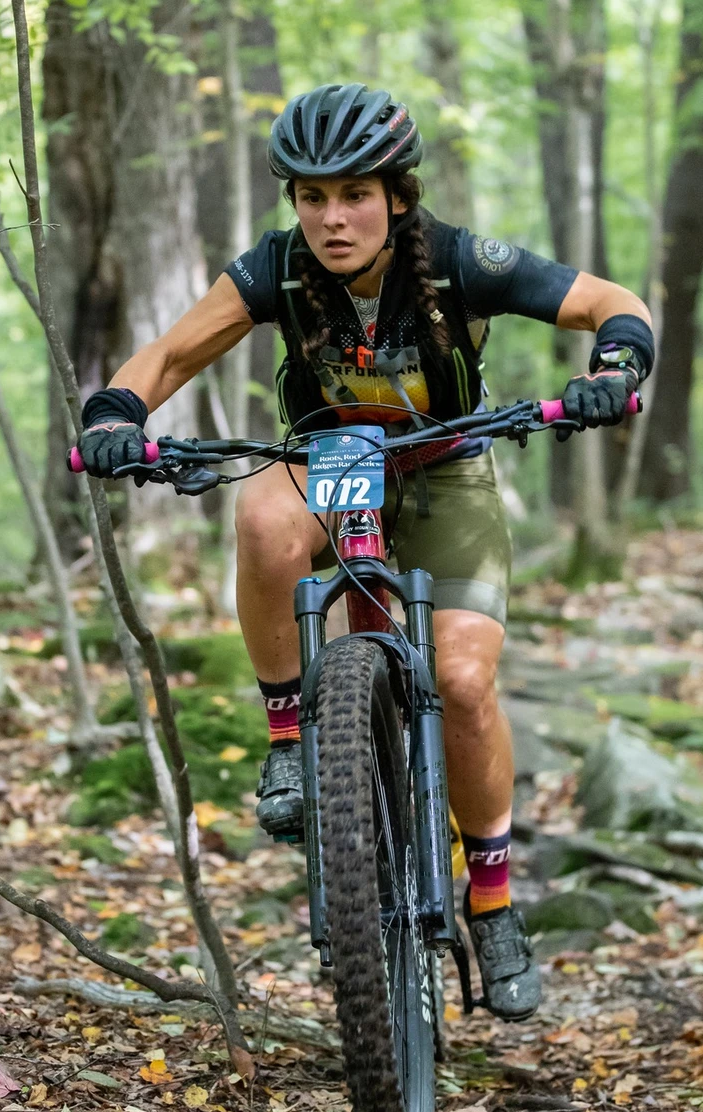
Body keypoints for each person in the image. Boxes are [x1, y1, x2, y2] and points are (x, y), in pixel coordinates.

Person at [74, 83, 654, 1022]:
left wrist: (614, 368)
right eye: (311, 197)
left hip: (446, 466)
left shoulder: (463, 262)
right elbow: (172, 355)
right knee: (261, 519)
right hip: (328, 462)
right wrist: (114, 413)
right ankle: (290, 741)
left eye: (354, 194)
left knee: (462, 682)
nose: (332, 217)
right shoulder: (277, 271)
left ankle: (495, 899)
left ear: (396, 195)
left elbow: (608, 302)